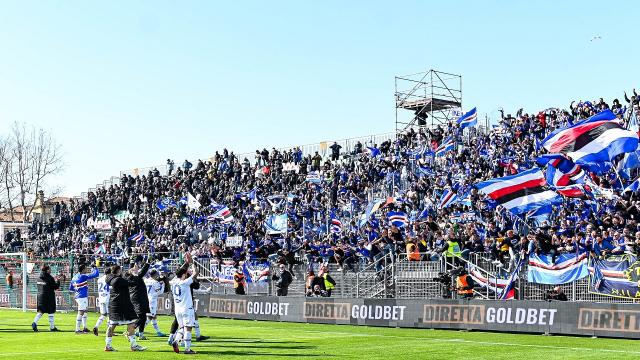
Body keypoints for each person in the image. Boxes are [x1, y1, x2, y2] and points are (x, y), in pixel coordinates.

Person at [104, 264, 146, 352]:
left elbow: (124, 280)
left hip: (113, 305)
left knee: (112, 325)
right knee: (130, 324)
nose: (122, 271)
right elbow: (132, 283)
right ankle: (134, 345)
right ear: (118, 271)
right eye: (121, 270)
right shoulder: (118, 280)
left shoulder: (109, 278)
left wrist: (129, 273)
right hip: (122, 305)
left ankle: (108, 345)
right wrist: (134, 275)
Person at [169, 258, 199, 354]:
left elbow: (179, 273)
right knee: (188, 328)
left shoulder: (173, 282)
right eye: (185, 274)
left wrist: (186, 263)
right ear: (183, 275)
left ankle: (176, 341)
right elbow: (196, 273)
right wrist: (193, 263)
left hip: (178, 309)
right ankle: (187, 349)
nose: (186, 275)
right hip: (186, 308)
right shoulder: (185, 282)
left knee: (182, 328)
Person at [124, 257, 151, 340]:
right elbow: (143, 272)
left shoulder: (131, 277)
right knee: (141, 317)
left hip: (139, 298)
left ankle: (141, 334)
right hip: (138, 299)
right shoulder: (135, 277)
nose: (137, 269)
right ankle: (129, 332)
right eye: (134, 268)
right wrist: (148, 262)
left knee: (143, 317)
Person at [69, 263, 99, 334]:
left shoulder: (74, 277)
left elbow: (71, 288)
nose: (86, 269)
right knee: (81, 312)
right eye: (85, 268)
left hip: (78, 296)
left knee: (85, 311)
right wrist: (95, 268)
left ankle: (84, 327)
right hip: (82, 296)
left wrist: (78, 290)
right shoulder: (83, 276)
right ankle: (77, 329)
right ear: (83, 270)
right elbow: (95, 275)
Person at [32, 265, 60, 332]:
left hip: (40, 296)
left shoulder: (39, 277)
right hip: (48, 296)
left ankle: (34, 322)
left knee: (41, 311)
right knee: (51, 311)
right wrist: (58, 281)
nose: (51, 270)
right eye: (50, 269)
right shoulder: (50, 278)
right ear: (47, 270)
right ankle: (52, 327)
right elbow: (55, 287)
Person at [144, 269, 166, 337]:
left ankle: (158, 331)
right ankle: (138, 330)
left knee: (153, 316)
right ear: (155, 274)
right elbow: (159, 292)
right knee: (150, 316)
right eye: (156, 274)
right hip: (152, 300)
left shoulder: (146, 280)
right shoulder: (155, 282)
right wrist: (163, 285)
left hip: (146, 299)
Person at [93, 267, 111, 336]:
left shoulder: (99, 279)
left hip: (101, 298)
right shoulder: (109, 279)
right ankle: (109, 330)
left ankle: (96, 326)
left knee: (103, 315)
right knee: (110, 315)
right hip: (108, 297)